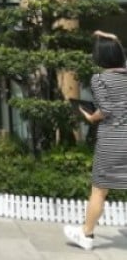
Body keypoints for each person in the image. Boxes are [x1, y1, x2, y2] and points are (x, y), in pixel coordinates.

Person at [64, 30, 127, 251]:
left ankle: (86, 234)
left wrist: (91, 116)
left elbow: (106, 109)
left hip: (112, 141)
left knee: (99, 190)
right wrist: (113, 38)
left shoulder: (99, 79)